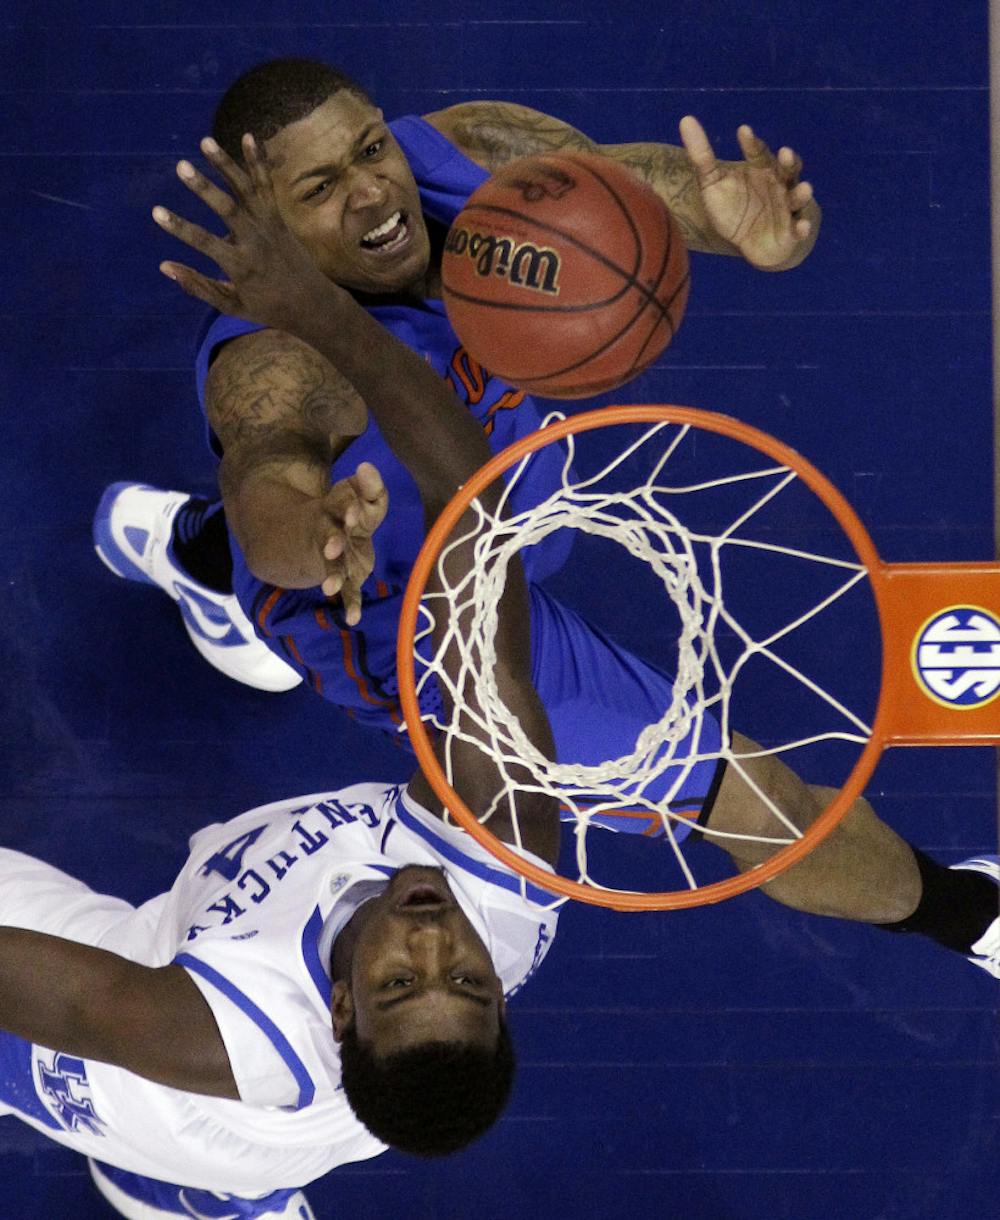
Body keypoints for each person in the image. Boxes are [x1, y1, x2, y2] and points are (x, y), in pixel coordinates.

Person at [96, 58, 998, 979]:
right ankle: (974, 914)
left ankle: (191, 557)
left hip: (506, 504)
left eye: (370, 150)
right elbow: (267, 496)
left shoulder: (459, 150)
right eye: (321, 189)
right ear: (270, 230)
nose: (372, 193)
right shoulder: (273, 364)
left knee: (412, 492)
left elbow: (626, 199)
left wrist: (726, 220)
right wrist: (317, 536)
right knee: (773, 816)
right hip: (420, 618)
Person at [0, 164, 566, 1217]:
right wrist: (326, 318)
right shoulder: (507, 869)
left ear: (344, 1005)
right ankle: (231, 582)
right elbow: (472, 520)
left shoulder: (226, 1027)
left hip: (155, 1087)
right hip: (226, 993)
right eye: (469, 981)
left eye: (404, 981)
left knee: (144, 1132)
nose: (437, 941)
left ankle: (188, 1189)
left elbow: (72, 997)